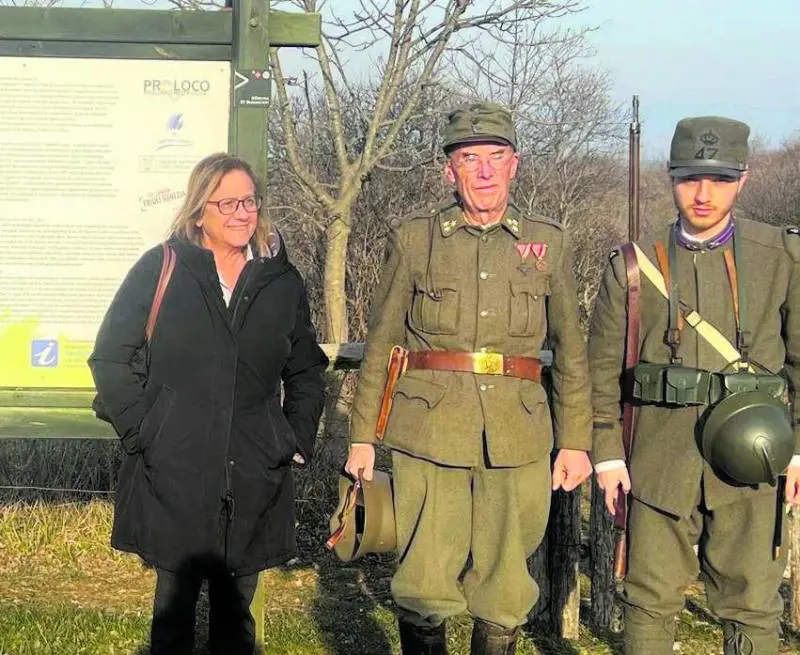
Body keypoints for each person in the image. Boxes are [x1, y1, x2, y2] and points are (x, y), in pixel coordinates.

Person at [345, 102, 593, 655]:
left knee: (506, 585)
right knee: (424, 580)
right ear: (448, 171)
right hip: (429, 433)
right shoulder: (415, 240)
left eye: (495, 157)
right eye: (469, 158)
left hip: (518, 435)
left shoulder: (547, 242)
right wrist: (362, 436)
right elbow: (381, 344)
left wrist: (575, 440)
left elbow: (571, 350)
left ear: (515, 165)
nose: (483, 171)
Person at [88, 153, 328, 654]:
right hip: (176, 469)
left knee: (236, 620)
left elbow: (306, 367)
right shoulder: (162, 269)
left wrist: (293, 437)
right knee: (173, 616)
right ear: (199, 212)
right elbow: (110, 357)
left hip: (253, 471)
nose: (243, 214)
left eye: (250, 202)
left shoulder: (280, 280)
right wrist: (146, 431)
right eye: (228, 204)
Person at [589, 116, 800, 655]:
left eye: (720, 179)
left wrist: (796, 448)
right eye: (689, 178)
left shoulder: (782, 257)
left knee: (752, 604)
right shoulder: (633, 265)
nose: (703, 194)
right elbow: (601, 372)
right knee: (648, 600)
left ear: (743, 180)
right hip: (659, 458)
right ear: (671, 177)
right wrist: (608, 454)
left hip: (754, 456)